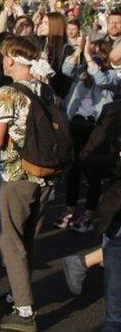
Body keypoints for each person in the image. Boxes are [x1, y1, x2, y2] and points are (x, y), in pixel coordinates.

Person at [0, 35, 54, 332]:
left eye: (6, 56)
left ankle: (24, 311)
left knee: (12, 243)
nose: (2, 60)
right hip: (44, 176)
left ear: (12, 60)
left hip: (17, 175)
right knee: (27, 241)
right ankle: (15, 295)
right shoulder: (45, 90)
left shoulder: (7, 92)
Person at [58, 38, 117, 232]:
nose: (94, 57)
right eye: (92, 52)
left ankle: (89, 215)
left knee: (92, 173)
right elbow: (66, 70)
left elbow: (100, 79)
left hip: (96, 128)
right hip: (76, 125)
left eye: (100, 53)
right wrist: (77, 51)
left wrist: (90, 60)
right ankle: (69, 210)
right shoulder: (82, 75)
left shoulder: (111, 76)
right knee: (73, 170)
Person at [78, 99, 121, 330]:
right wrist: (117, 162)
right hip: (118, 215)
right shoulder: (114, 114)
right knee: (115, 314)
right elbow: (87, 159)